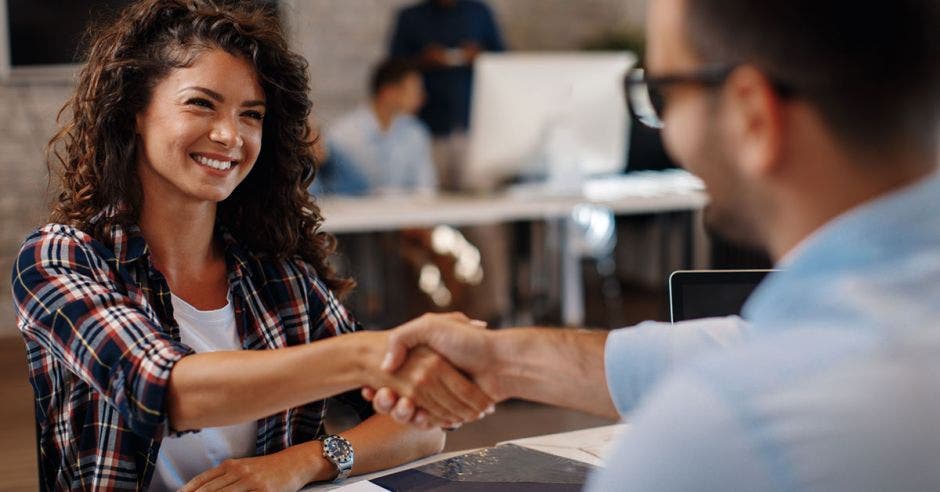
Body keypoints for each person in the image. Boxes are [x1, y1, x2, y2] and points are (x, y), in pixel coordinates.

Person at [368, 0, 940, 490]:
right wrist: (504, 362)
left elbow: (749, 377)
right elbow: (747, 344)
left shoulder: (721, 435)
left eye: (662, 92)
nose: (665, 129)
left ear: (751, 115)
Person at [10, 1, 494, 490]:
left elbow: (423, 427)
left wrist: (304, 460)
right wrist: (368, 355)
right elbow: (167, 391)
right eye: (201, 103)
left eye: (251, 114)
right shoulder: (61, 259)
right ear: (136, 110)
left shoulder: (281, 279)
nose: (230, 135)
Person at [389, 0, 505, 189]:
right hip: (428, 125)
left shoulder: (480, 13)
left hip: (471, 122)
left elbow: (502, 59)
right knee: (431, 193)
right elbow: (393, 67)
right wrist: (423, 60)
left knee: (476, 195)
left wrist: (480, 55)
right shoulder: (411, 17)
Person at [327, 57, 437, 195]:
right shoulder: (342, 135)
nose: (421, 98)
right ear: (388, 92)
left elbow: (425, 189)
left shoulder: (416, 133)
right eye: (414, 90)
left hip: (405, 214)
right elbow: (334, 191)